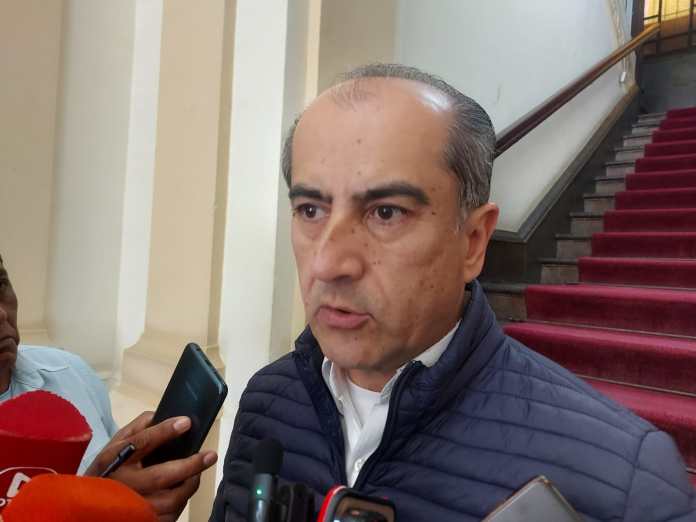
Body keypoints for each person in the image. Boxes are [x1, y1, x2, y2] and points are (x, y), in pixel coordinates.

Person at [210, 64, 696, 522]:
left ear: (473, 241)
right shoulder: (268, 401)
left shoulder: (626, 484)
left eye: (386, 212)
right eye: (311, 210)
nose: (327, 264)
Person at [0, 254, 217, 521]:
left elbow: (126, 486)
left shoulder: (71, 372)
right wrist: (92, 501)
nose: (1, 313)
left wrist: (141, 506)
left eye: (1, 284)